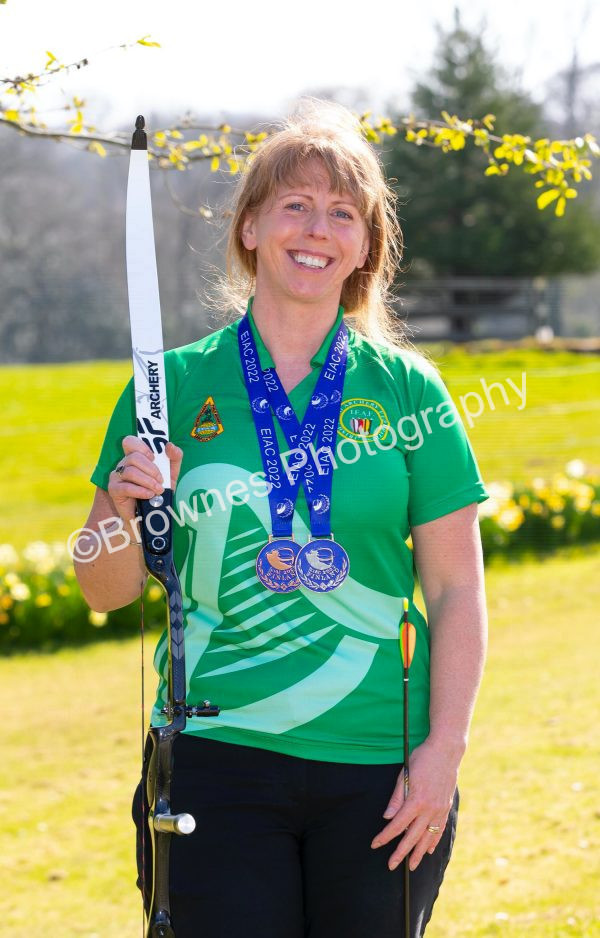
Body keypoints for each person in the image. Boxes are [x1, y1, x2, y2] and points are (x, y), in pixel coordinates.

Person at [74, 97, 489, 938]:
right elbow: (103, 586)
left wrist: (441, 755)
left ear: (366, 245)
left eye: (343, 212)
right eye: (295, 204)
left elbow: (454, 594)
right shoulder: (171, 386)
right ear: (252, 226)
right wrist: (123, 504)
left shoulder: (410, 392)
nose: (317, 227)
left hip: (379, 769)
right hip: (217, 765)